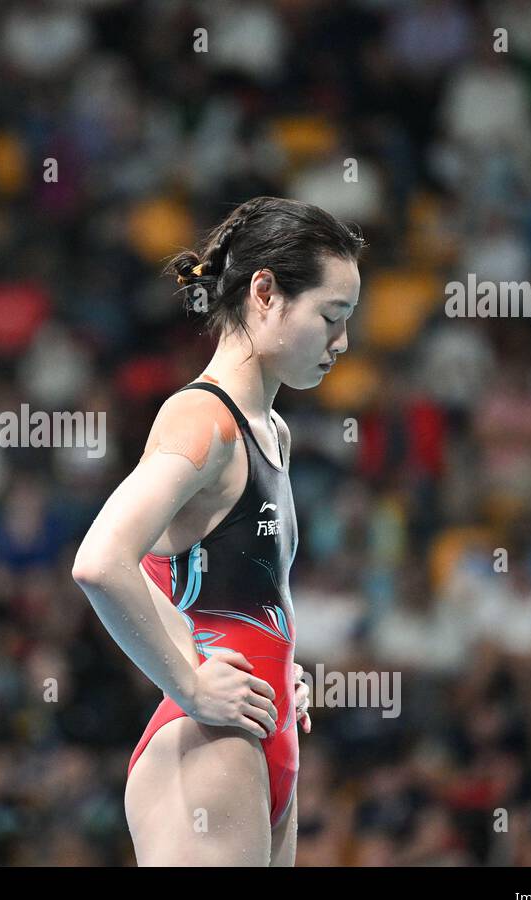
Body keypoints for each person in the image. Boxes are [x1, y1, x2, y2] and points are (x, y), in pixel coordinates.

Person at [72, 197, 363, 866]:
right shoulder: (204, 418)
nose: (342, 343)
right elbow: (100, 560)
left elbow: (205, 583)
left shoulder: (273, 433)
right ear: (266, 292)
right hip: (210, 745)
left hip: (264, 734)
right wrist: (193, 682)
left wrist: (279, 667)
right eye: (332, 317)